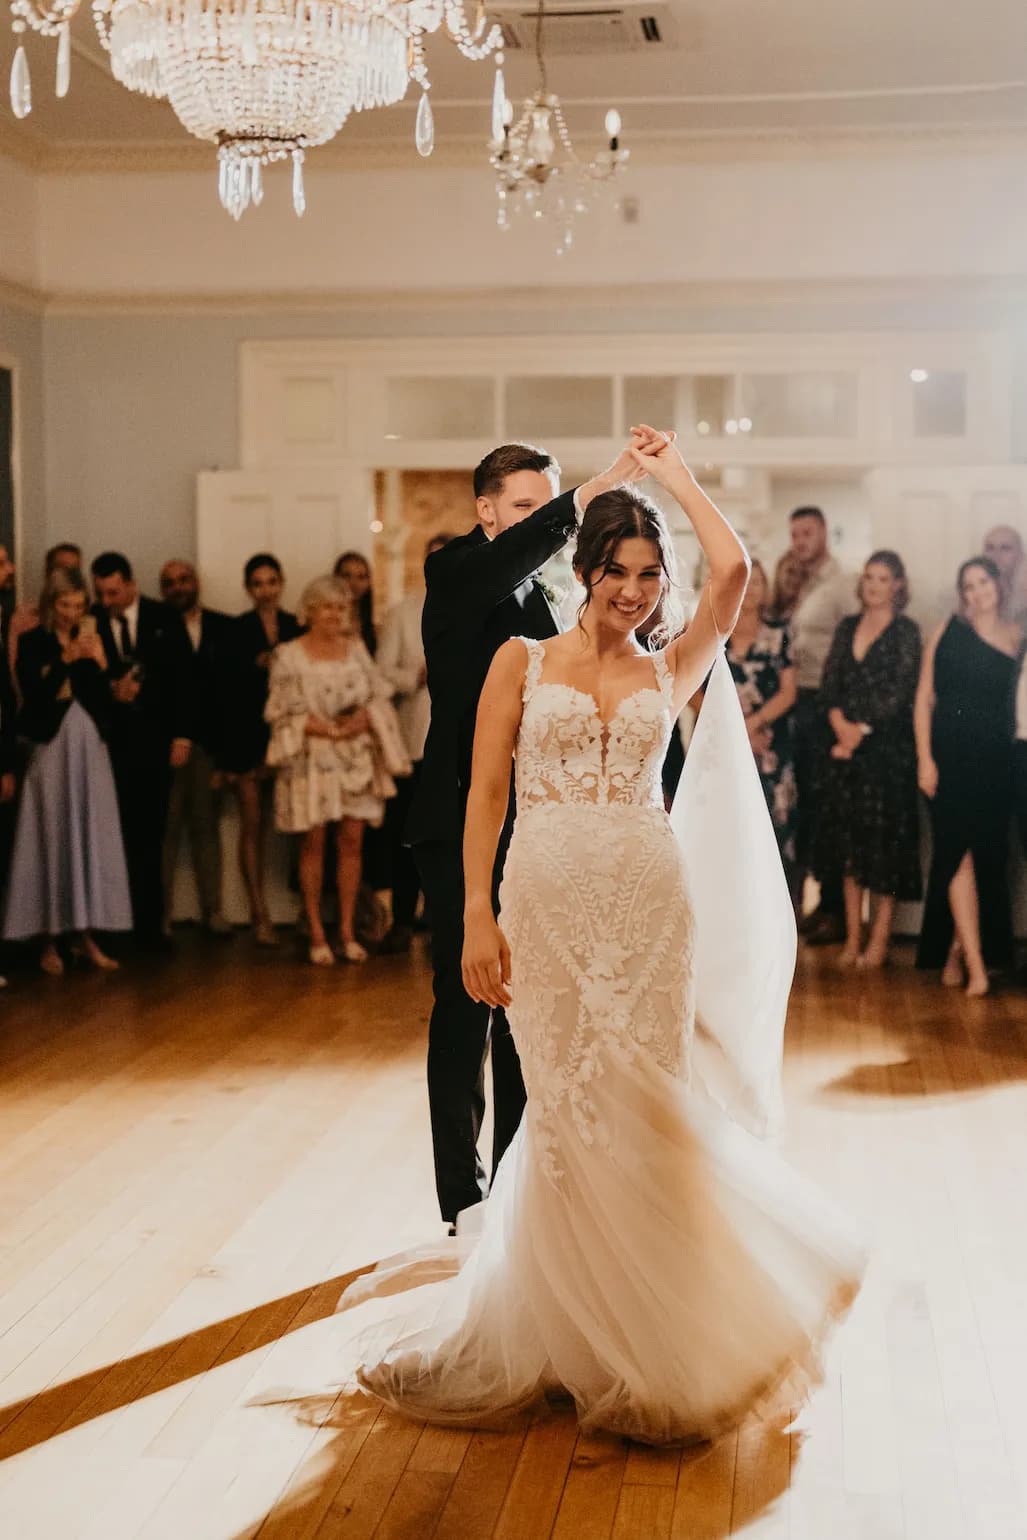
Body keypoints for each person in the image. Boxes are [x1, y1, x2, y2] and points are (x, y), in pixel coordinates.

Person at [342, 434, 864, 1444]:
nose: (631, 589)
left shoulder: (673, 663)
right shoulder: (519, 658)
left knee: (642, 1103)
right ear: (583, 572)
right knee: (564, 1108)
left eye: (647, 573)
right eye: (615, 570)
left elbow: (737, 572)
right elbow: (485, 793)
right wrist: (477, 917)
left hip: (645, 907)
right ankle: (562, 1332)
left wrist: (672, 482)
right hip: (540, 902)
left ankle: (650, 1332)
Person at [406, 433, 662, 1230]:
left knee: (533, 1004)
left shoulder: (547, 604)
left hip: (536, 828)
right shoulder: (453, 569)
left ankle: (526, 1190)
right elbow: (504, 562)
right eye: (524, 506)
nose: (538, 522)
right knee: (465, 1001)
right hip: (457, 817)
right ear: (487, 512)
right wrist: (593, 491)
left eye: (544, 505)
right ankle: (463, 1201)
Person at [265, 576, 403, 966]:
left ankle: (346, 929)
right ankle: (317, 931)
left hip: (354, 759)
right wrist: (325, 728)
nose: (334, 615)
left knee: (352, 842)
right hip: (312, 758)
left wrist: (362, 719)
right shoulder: (289, 655)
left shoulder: (356, 649)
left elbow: (378, 695)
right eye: (327, 607)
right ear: (309, 611)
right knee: (313, 842)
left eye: (341, 608)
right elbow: (281, 710)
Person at [3, 569, 130, 971]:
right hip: (50, 744)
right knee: (52, 835)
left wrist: (102, 665)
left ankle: (87, 934)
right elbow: (33, 699)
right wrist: (64, 659)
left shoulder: (95, 636)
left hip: (88, 742)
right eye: (64, 606)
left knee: (88, 833)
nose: (71, 614)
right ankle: (48, 940)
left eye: (78, 606)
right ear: (50, 605)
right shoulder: (32, 642)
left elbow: (106, 697)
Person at [915, 557, 1020, 996]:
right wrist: (925, 759)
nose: (978, 592)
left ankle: (960, 949)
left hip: (997, 761)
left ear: (998, 585)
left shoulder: (1018, 638)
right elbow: (924, 699)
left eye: (984, 582)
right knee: (956, 856)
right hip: (949, 759)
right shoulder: (946, 630)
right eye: (969, 585)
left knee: (988, 859)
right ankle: (976, 967)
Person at [816, 552, 922, 969]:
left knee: (884, 849)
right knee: (849, 848)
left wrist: (860, 732)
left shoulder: (906, 632)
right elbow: (830, 684)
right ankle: (853, 937)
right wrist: (840, 723)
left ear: (898, 584)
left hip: (886, 755)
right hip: (844, 754)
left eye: (883, 578)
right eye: (869, 578)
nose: (874, 585)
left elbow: (900, 693)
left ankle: (878, 941)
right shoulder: (847, 627)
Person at [91, 551, 193, 947]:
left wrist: (182, 735)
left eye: (114, 592)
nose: (107, 601)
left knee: (151, 834)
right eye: (100, 593)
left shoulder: (164, 618)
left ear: (131, 584)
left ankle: (149, 927)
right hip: (109, 745)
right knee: (109, 834)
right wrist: (109, 690)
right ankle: (113, 926)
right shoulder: (93, 621)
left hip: (155, 742)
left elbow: (186, 679)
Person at [221, 554, 303, 946]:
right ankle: (259, 913)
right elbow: (226, 695)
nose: (266, 590)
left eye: (272, 581)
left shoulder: (296, 625)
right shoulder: (235, 630)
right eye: (258, 583)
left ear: (281, 582)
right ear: (248, 588)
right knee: (252, 826)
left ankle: (306, 909)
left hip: (289, 738)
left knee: (299, 825)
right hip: (247, 740)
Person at [376, 532, 452, 953]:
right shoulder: (402, 615)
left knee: (452, 839)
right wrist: (415, 678)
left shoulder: (476, 611)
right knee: (407, 836)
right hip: (414, 741)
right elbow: (381, 675)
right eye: (432, 559)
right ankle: (402, 919)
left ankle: (445, 921)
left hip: (460, 746)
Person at [788, 507, 855, 942]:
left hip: (827, 702)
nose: (800, 541)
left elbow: (852, 641)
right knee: (809, 805)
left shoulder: (843, 582)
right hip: (801, 701)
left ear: (825, 533)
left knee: (831, 805)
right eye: (795, 534)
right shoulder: (798, 582)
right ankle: (819, 905)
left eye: (807, 533)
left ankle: (835, 909)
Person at [159, 559, 235, 937]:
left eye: (183, 580)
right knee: (166, 832)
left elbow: (229, 697)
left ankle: (214, 911)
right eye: (169, 583)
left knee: (207, 830)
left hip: (208, 747)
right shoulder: (154, 628)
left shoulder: (224, 627)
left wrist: (224, 758)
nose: (178, 587)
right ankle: (162, 915)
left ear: (196, 583)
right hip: (167, 748)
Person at [725, 558, 798, 890]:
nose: (751, 588)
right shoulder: (717, 632)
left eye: (758, 582)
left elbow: (788, 692)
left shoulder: (779, 633)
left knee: (775, 829)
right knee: (733, 830)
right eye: (746, 580)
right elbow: (694, 692)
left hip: (770, 744)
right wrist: (734, 729)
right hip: (727, 745)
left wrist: (753, 723)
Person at [8, 542, 82, 681]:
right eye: (62, 569)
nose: (67, 576)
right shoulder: (25, 616)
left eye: (74, 571)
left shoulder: (86, 621)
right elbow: (18, 677)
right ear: (48, 573)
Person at [333, 551, 378, 656]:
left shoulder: (371, 624)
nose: (353, 583)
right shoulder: (324, 617)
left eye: (361, 577)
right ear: (335, 577)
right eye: (346, 576)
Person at [982, 524, 1027, 629]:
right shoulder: (962, 595)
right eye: (990, 548)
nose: (996, 555)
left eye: (1005, 548)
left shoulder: (1023, 594)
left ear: (1020, 555)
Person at [768, 550, 804, 622]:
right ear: (779, 572)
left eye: (801, 574)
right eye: (790, 571)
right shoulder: (763, 610)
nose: (796, 579)